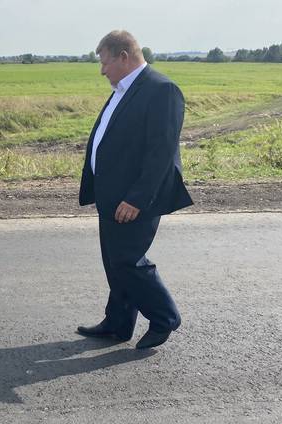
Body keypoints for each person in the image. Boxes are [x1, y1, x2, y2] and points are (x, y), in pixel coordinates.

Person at [77, 30, 193, 349]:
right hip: (111, 195)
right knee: (114, 262)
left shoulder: (161, 90)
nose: (102, 70)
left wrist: (136, 199)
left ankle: (165, 316)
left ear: (123, 57)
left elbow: (161, 152)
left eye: (104, 63)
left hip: (134, 198)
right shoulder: (123, 89)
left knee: (128, 260)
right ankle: (118, 322)